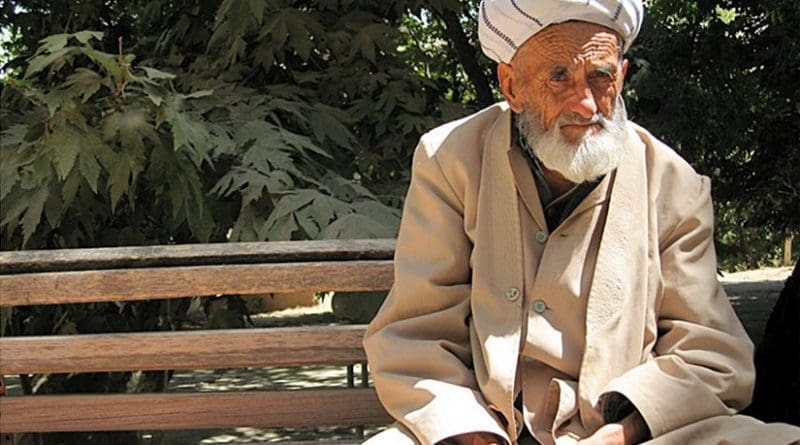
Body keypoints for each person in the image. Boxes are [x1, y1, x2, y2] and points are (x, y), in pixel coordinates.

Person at [361, 1, 800, 444]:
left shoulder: (673, 183)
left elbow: (711, 354)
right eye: (559, 77)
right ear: (511, 86)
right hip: (482, 425)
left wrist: (622, 434)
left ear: (622, 76)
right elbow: (416, 332)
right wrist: (474, 434)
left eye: (601, 76)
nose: (586, 103)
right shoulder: (449, 160)